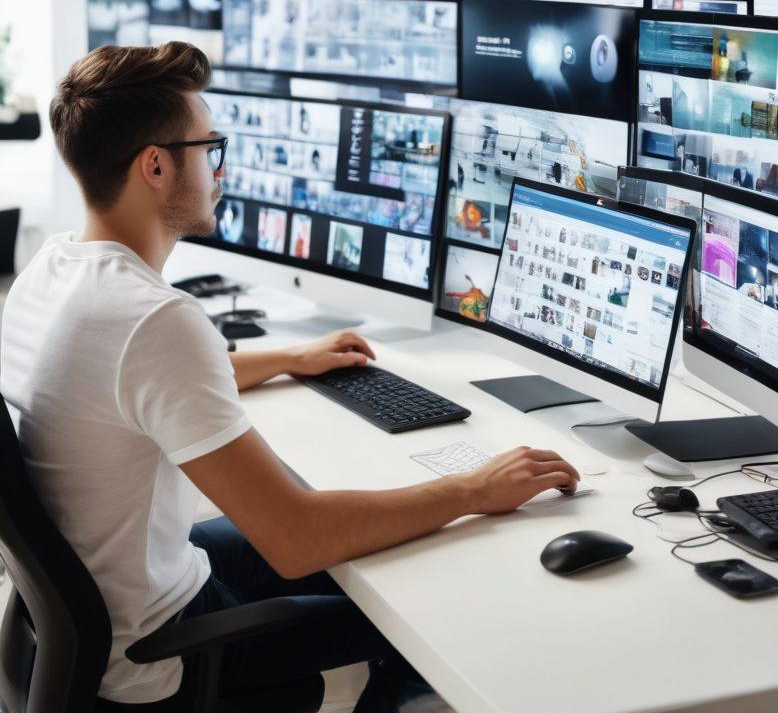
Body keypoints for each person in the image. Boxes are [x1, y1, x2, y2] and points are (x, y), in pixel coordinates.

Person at [0, 42, 578, 709]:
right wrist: (474, 487)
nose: (219, 171)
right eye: (208, 148)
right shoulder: (155, 321)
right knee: (424, 611)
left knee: (378, 545)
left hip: (99, 612)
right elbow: (297, 538)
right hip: (157, 653)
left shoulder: (54, 268)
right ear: (156, 165)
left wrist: (288, 358)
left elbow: (131, 387)